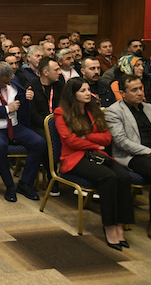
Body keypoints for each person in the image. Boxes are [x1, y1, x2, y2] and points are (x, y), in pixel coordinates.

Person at [56, 78, 133, 250]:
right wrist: (94, 145)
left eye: (88, 90)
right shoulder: (61, 112)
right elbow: (70, 141)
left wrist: (87, 137)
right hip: (74, 157)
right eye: (83, 90)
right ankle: (109, 226)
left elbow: (107, 138)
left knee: (124, 176)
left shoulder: (94, 110)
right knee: (108, 177)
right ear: (73, 94)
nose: (88, 94)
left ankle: (120, 224)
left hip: (96, 155)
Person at [0, 62, 46, 202]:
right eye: (5, 82)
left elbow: (20, 97)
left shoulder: (12, 79)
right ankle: (9, 185)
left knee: (39, 143)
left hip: (15, 125)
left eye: (10, 80)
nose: (9, 84)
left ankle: (25, 183)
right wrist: (6, 109)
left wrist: (27, 96)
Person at [105, 74, 151, 244]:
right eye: (134, 90)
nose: (140, 93)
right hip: (135, 155)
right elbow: (122, 142)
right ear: (123, 93)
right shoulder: (114, 111)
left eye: (140, 89)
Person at [28, 58, 64, 138]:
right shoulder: (32, 88)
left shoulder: (60, 86)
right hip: (40, 125)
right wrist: (49, 125)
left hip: (60, 122)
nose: (59, 72)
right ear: (45, 72)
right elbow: (33, 115)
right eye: (56, 70)